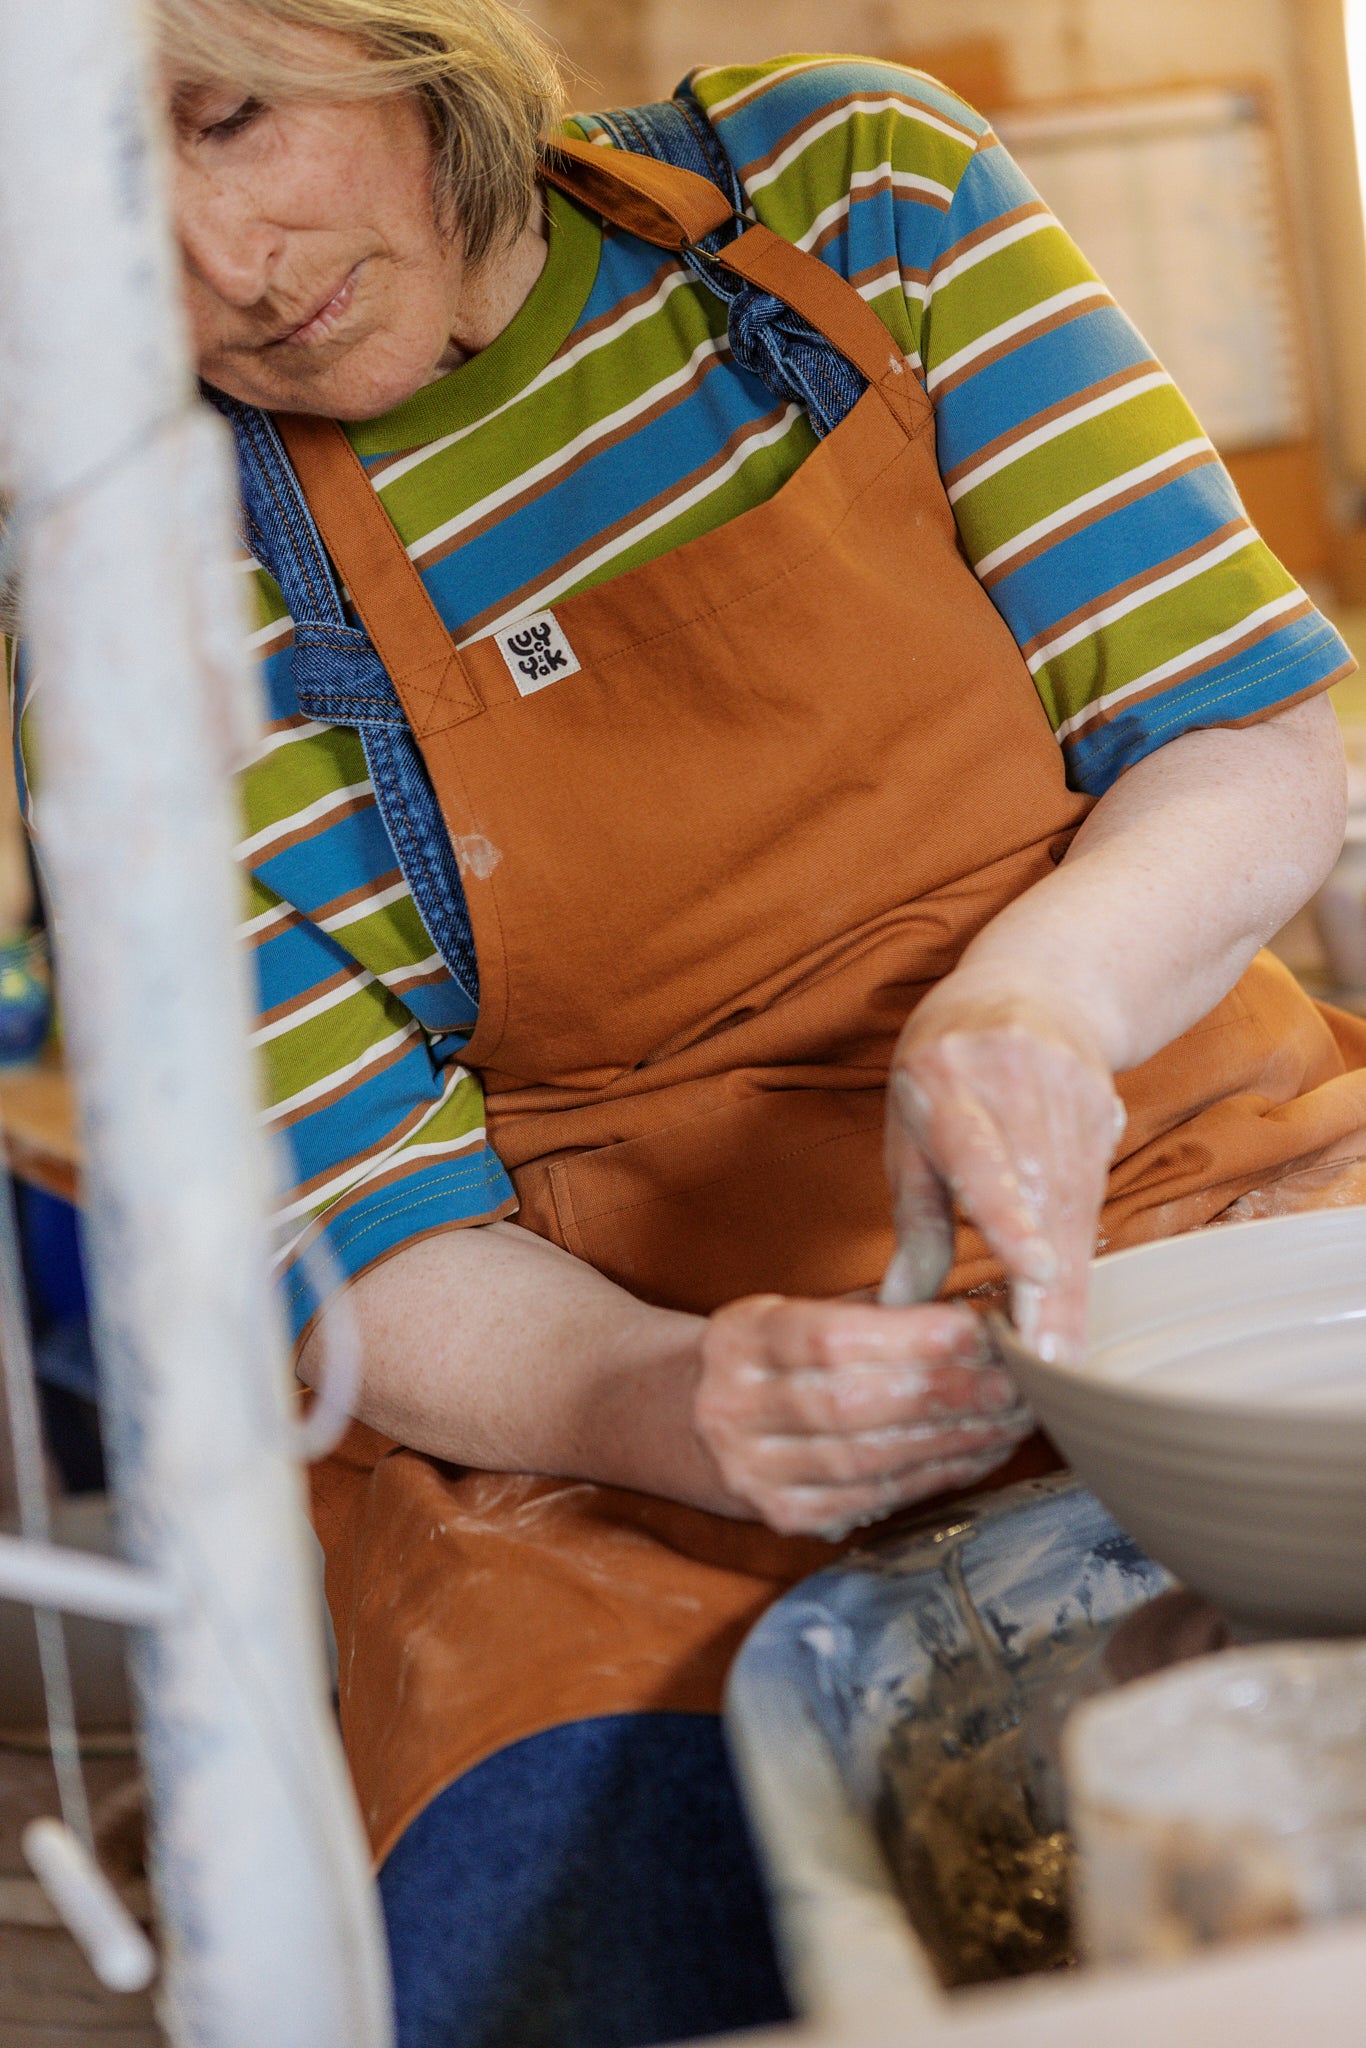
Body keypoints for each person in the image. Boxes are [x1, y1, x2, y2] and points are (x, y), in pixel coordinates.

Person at [13, 2, 1366, 2040]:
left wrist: (1036, 995)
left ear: (393, 43)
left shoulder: (849, 200)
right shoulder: (134, 579)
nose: (227, 267)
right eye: (102, 196)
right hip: (612, 1401)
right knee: (583, 1937)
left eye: (231, 117)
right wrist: (659, 1403)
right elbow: (370, 1231)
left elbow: (1247, 744)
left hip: (1192, 1178)